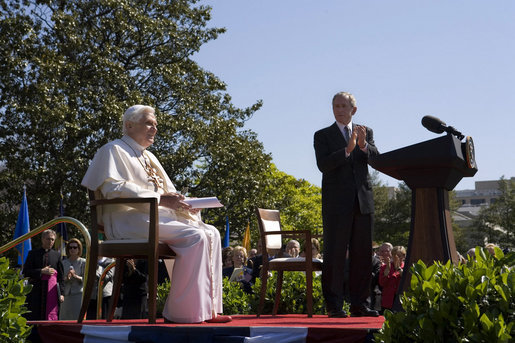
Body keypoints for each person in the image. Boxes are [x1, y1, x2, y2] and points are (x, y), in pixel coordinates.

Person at [81, 105, 229, 324]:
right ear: (129, 125)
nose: (155, 129)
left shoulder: (149, 156)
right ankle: (183, 313)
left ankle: (207, 311)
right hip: (128, 221)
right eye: (149, 123)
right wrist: (160, 200)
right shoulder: (112, 150)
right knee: (195, 236)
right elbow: (114, 189)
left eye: (156, 125)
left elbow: (169, 193)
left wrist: (184, 204)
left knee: (212, 232)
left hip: (154, 217)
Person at [313, 91, 380, 318]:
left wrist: (362, 146)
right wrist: (347, 150)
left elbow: (375, 158)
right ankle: (334, 305)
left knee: (363, 255)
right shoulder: (322, 135)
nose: (339, 109)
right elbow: (323, 165)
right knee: (335, 254)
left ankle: (360, 304)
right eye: (335, 106)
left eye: (343, 105)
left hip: (363, 202)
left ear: (354, 109)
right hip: (336, 205)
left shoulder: (365, 131)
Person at [22, 229, 64, 321]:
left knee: (50, 317)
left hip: (51, 293)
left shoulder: (57, 255)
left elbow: (60, 277)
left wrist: (62, 293)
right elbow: (26, 272)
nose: (51, 241)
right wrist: (41, 271)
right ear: (42, 239)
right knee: (34, 316)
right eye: (48, 239)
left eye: (53, 239)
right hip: (36, 292)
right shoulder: (33, 254)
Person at [59, 238, 86, 320]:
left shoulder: (83, 262)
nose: (72, 249)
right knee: (64, 318)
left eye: (75, 247)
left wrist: (76, 276)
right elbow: (59, 280)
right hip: (66, 295)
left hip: (78, 294)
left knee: (77, 318)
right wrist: (66, 278)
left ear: (79, 249)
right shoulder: (63, 263)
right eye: (70, 247)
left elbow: (87, 279)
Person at [378, 246, 406, 312]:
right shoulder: (385, 267)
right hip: (388, 301)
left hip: (401, 300)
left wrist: (399, 268)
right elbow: (381, 283)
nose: (396, 258)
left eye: (399, 256)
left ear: (404, 256)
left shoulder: (406, 267)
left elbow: (406, 281)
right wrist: (387, 271)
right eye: (394, 256)